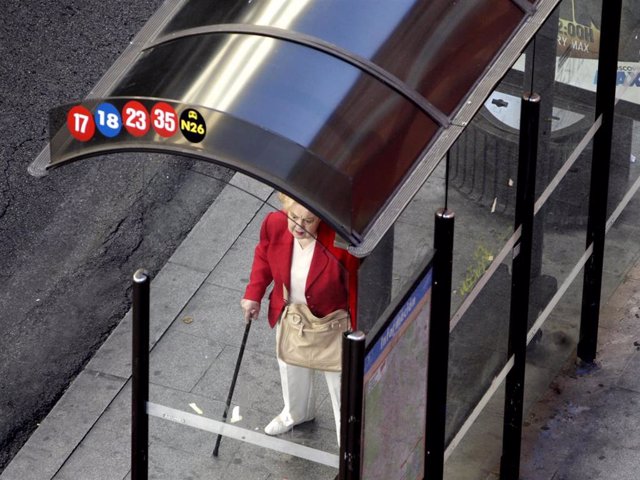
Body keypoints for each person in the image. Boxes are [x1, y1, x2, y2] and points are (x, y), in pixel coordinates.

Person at [241, 193, 358, 443]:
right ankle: (296, 413)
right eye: (293, 217)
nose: (298, 226)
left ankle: (346, 433)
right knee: (290, 366)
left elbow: (357, 285)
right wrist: (254, 294)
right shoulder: (274, 223)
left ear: (322, 218)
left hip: (333, 322)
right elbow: (263, 254)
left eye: (308, 220)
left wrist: (359, 329)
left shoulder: (340, 242)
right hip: (292, 313)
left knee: (340, 380)